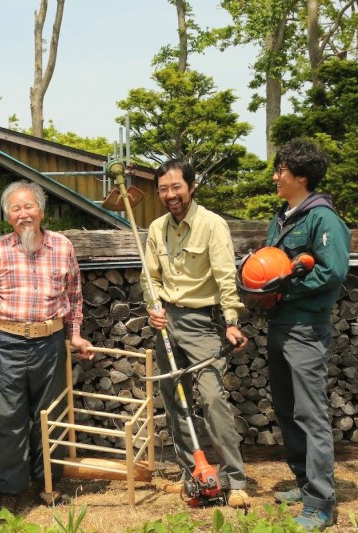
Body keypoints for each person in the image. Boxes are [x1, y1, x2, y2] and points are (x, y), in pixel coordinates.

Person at [0, 180, 93, 513]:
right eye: (16, 208)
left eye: (29, 207)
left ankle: (48, 485)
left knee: (51, 417)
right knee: (7, 421)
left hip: (51, 342)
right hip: (8, 342)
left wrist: (75, 334)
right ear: (8, 216)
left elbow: (74, 296)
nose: (23, 214)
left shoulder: (63, 246)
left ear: (41, 210)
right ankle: (10, 491)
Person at [144, 159, 250, 507]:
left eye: (176, 187)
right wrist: (153, 305)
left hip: (201, 323)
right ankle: (193, 476)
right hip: (165, 322)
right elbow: (151, 277)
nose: (170, 195)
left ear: (191, 187)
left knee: (213, 397)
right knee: (176, 400)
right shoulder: (156, 228)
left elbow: (224, 276)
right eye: (163, 189)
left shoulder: (212, 225)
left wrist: (232, 320)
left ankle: (235, 480)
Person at [265, 138, 350, 531]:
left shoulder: (323, 219)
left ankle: (320, 503)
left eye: (281, 169)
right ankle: (303, 482)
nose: (276, 176)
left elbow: (332, 272)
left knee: (311, 414)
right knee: (286, 408)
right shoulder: (282, 218)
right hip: (279, 325)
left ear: (301, 176)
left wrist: (284, 290)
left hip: (305, 327)